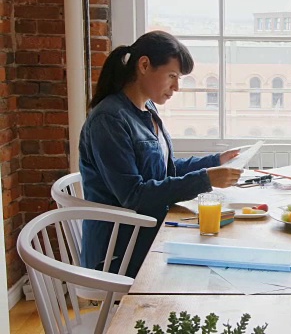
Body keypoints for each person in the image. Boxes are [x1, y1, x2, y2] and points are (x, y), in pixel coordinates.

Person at [79, 31, 242, 277]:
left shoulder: (147, 109)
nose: (176, 87)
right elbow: (133, 195)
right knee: (215, 264)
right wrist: (206, 180)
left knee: (224, 250)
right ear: (144, 65)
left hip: (150, 231)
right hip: (119, 251)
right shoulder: (109, 120)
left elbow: (165, 169)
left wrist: (215, 162)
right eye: (172, 76)